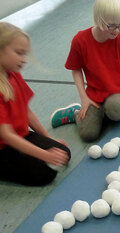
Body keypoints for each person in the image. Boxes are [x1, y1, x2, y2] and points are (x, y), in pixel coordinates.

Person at [50, 0, 120, 141]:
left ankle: (104, 113)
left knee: (116, 111)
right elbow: (76, 70)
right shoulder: (80, 40)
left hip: (118, 94)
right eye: (112, 25)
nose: (117, 30)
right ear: (98, 19)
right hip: (94, 95)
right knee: (88, 134)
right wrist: (84, 98)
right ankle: (74, 113)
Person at [0, 22, 71, 186]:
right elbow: (6, 135)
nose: (24, 60)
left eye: (25, 54)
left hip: (20, 137)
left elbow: (27, 112)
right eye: (19, 53)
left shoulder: (13, 74)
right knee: (44, 174)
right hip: (4, 148)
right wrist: (44, 155)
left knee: (63, 154)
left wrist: (48, 138)